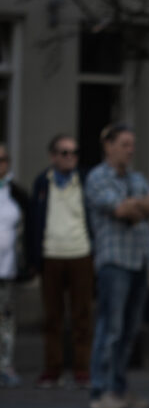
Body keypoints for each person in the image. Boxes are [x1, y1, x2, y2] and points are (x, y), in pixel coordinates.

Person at [86, 123, 149, 408]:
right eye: (124, 144)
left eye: (132, 144)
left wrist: (138, 206)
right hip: (114, 262)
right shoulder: (97, 177)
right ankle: (101, 390)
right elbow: (120, 210)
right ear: (108, 146)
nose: (130, 150)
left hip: (139, 260)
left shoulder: (135, 178)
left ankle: (119, 389)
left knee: (130, 329)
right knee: (111, 327)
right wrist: (139, 206)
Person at [27, 134, 94, 388]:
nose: (69, 158)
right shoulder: (43, 182)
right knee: (52, 317)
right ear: (53, 156)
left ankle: (81, 369)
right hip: (51, 254)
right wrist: (34, 256)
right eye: (64, 153)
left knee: (82, 316)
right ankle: (52, 369)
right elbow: (34, 221)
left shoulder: (85, 180)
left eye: (73, 153)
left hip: (80, 252)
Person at [0, 144, 30, 387]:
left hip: (7, 268)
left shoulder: (15, 193)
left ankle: (5, 364)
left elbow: (28, 227)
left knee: (6, 319)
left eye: (3, 159)